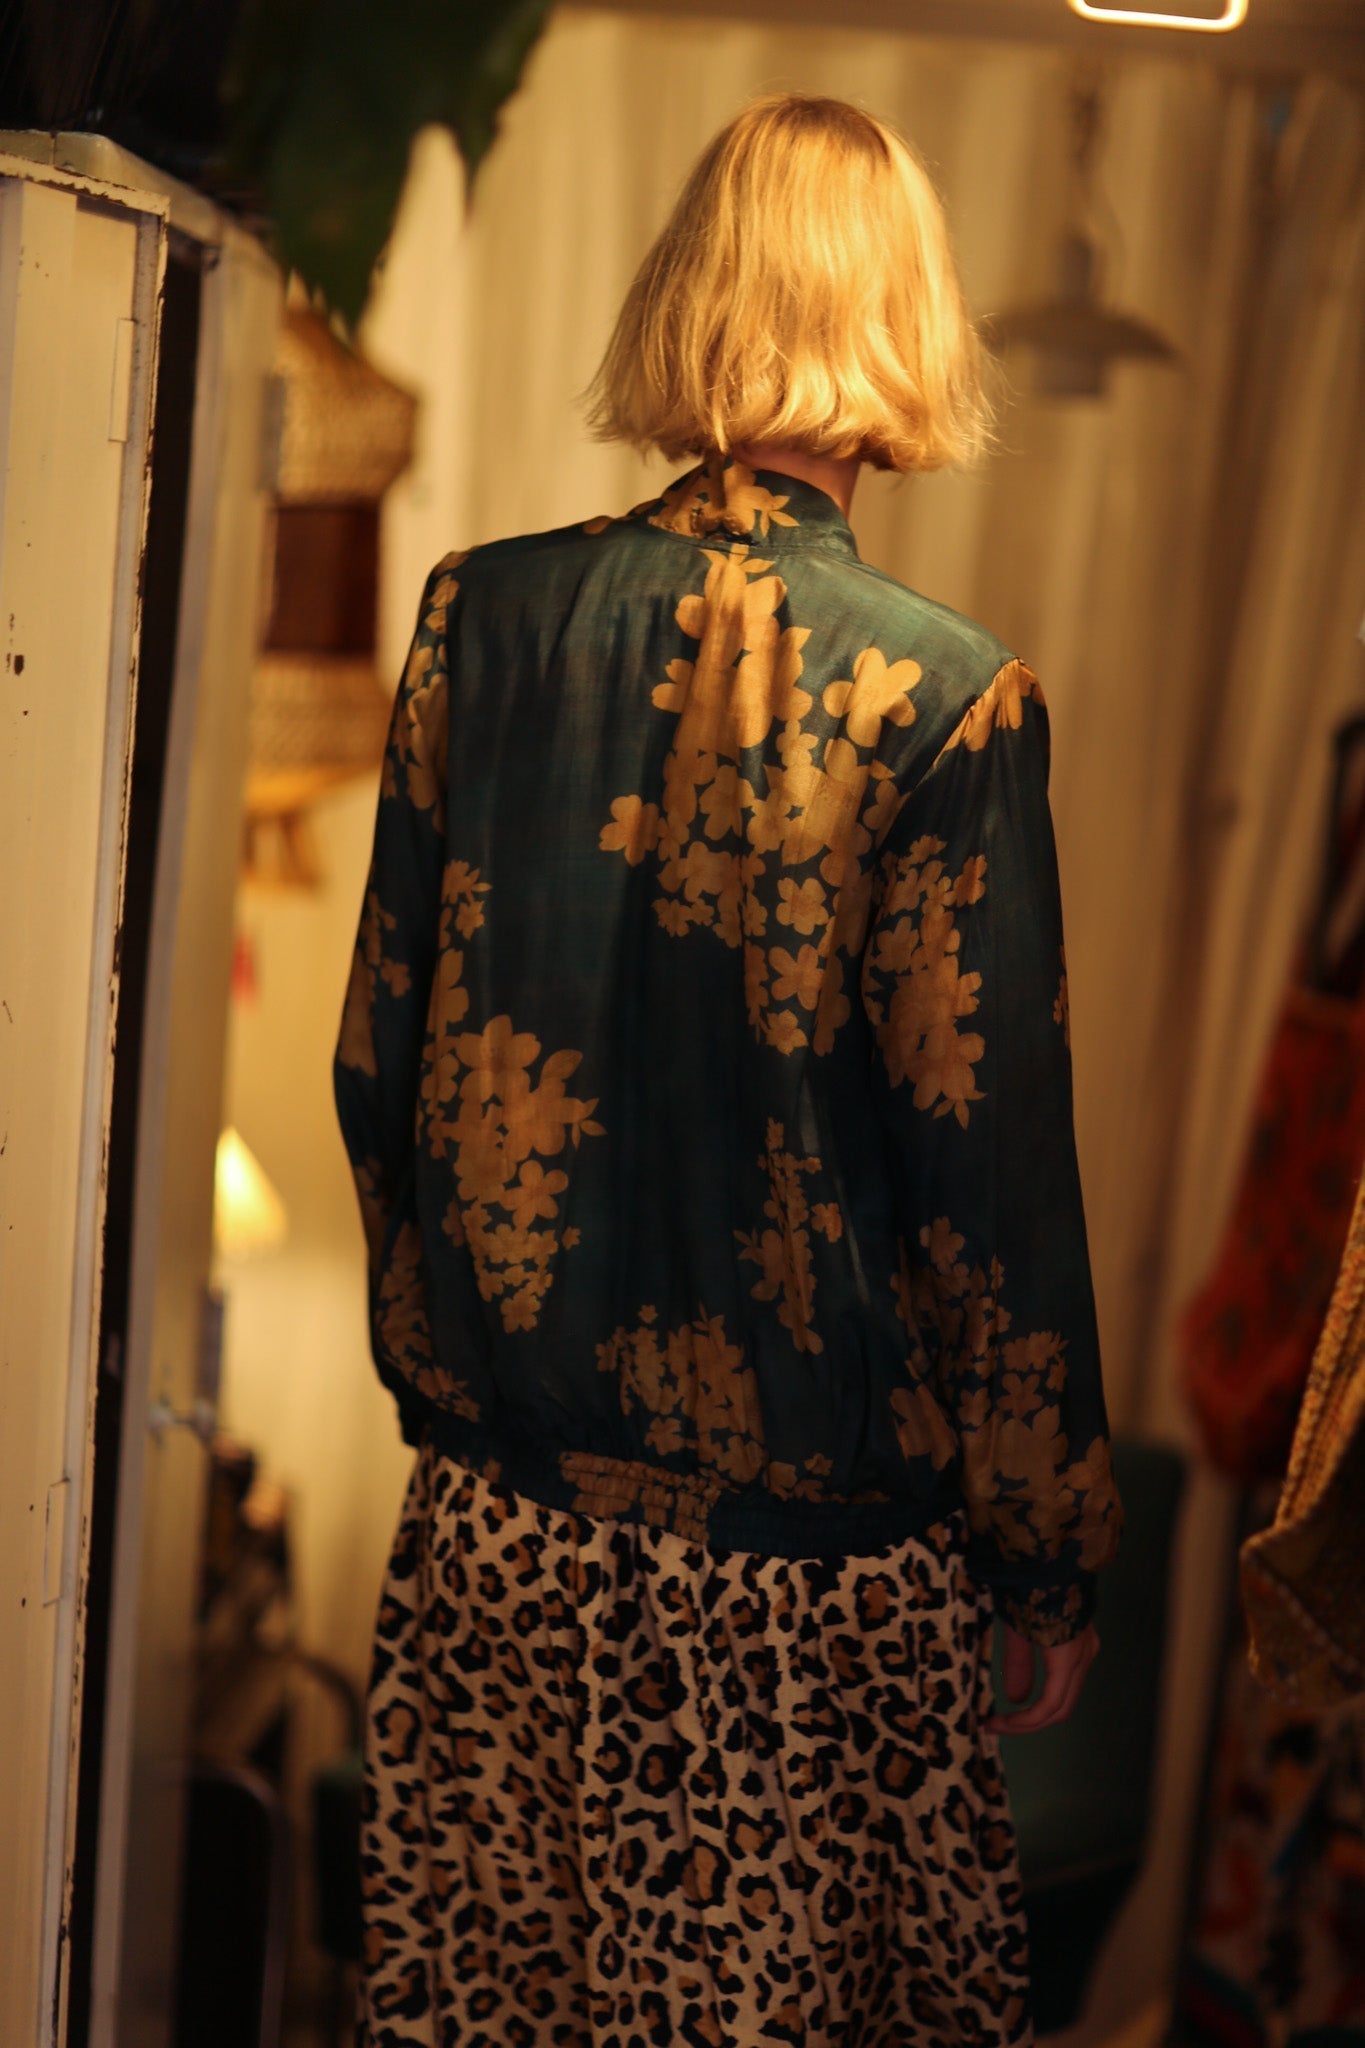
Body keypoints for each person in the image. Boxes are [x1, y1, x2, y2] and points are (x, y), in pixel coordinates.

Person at [335, 89, 1122, 2048]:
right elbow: (987, 1180)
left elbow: (379, 1054)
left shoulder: (481, 620)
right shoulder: (944, 702)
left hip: (497, 1548)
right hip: (799, 1613)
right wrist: (1045, 1557)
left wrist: (453, 1378)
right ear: (900, 319)